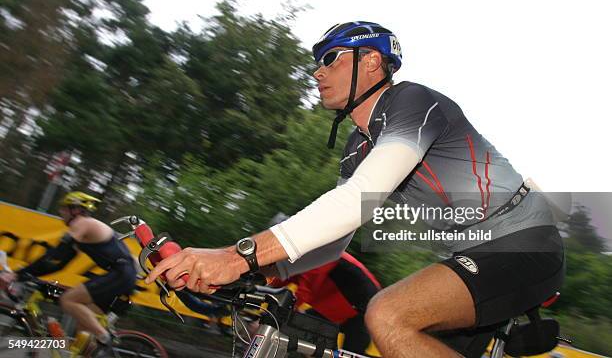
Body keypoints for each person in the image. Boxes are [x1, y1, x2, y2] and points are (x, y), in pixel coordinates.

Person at [146, 22, 565, 358]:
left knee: (387, 315)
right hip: (474, 256)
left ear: (372, 62)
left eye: (330, 58)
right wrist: (258, 271)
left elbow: (354, 199)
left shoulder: (412, 102)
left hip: (521, 242)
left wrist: (235, 257)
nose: (317, 71)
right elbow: (334, 242)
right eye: (317, 63)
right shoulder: (357, 148)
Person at [0, 191, 137, 355]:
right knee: (83, 334)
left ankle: (104, 337)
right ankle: (98, 347)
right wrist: (29, 275)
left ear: (76, 210)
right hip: (123, 275)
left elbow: (54, 255)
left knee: (68, 299)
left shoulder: (81, 223)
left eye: (64, 209)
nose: (60, 213)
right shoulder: (84, 229)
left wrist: (17, 274)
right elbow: (59, 264)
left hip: (120, 274)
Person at [268, 213, 381, 355]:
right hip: (338, 307)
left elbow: (309, 283)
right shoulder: (297, 258)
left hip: (364, 306)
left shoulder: (320, 250)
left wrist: (293, 305)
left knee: (351, 353)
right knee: (302, 330)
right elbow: (283, 279)